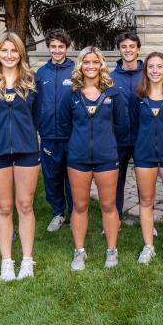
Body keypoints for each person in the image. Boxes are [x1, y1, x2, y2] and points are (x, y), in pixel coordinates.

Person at [0, 32, 41, 281]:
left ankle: (26, 260)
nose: (9, 55)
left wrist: (24, 136)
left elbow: (36, 116)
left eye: (14, 50)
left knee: (25, 205)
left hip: (27, 151)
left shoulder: (33, 81)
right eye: (4, 50)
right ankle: (7, 262)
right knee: (4, 207)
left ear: (21, 53)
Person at [58, 47, 124, 271]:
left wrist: (107, 142)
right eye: (86, 62)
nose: (91, 66)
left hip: (107, 157)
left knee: (108, 205)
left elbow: (121, 124)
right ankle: (79, 251)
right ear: (80, 65)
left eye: (95, 62)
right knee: (80, 205)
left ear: (101, 65)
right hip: (78, 158)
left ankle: (112, 251)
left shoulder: (113, 93)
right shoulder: (72, 94)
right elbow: (66, 125)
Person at [130, 52, 163, 265]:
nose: (155, 70)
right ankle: (149, 247)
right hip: (144, 156)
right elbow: (134, 125)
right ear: (146, 70)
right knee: (146, 201)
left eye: (159, 66)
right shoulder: (138, 97)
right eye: (151, 67)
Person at [35, 29, 75, 233]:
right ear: (48, 47)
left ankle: (76, 213)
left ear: (67, 47)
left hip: (73, 136)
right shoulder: (41, 74)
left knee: (73, 177)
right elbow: (36, 103)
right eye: (53, 46)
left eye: (61, 46)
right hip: (49, 135)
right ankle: (58, 213)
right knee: (52, 177)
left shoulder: (77, 71)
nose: (57, 50)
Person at [110, 32, 144, 224]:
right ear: (119, 50)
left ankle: (147, 221)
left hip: (142, 139)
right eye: (124, 47)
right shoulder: (110, 78)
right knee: (116, 181)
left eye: (132, 46)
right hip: (118, 139)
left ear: (138, 49)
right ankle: (115, 219)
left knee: (144, 183)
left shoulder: (148, 74)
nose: (128, 50)